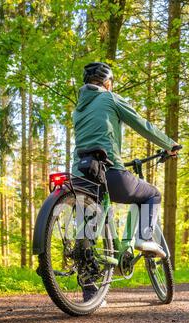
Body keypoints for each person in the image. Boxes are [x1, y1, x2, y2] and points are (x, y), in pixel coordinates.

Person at [72, 62, 180, 300]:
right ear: (107, 82)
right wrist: (169, 145)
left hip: (79, 176)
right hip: (108, 171)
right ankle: (144, 237)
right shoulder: (110, 98)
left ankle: (90, 294)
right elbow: (142, 124)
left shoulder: (77, 109)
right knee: (151, 194)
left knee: (86, 229)